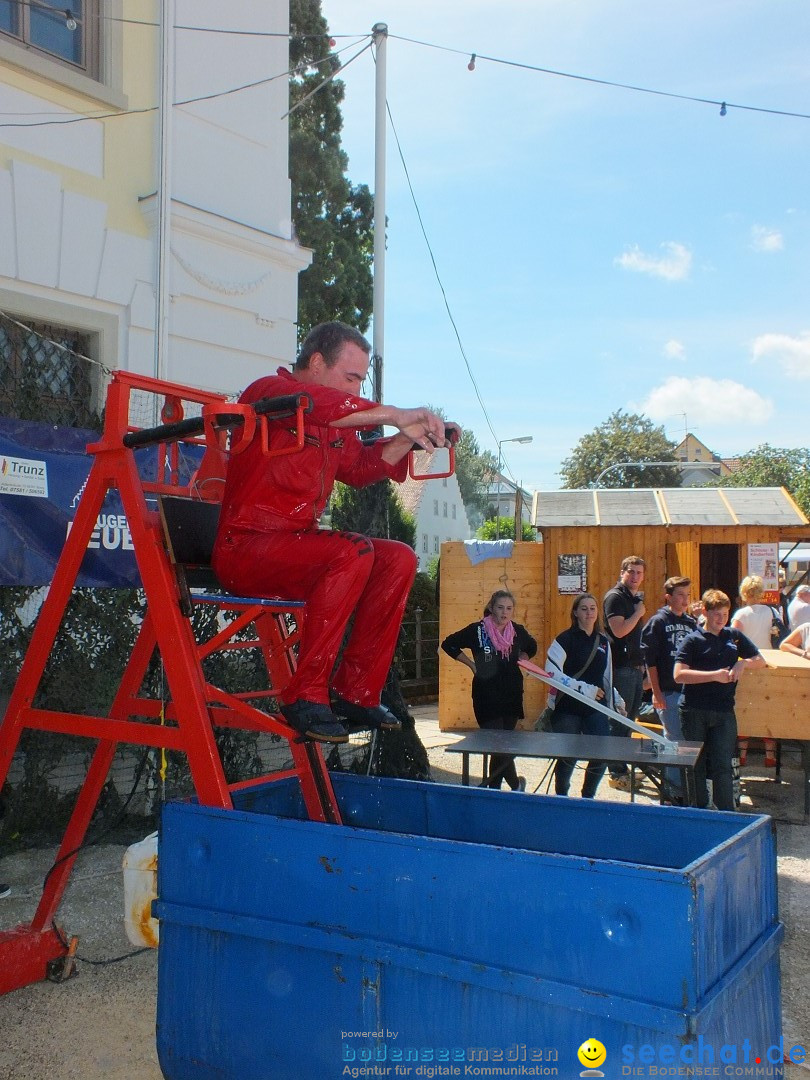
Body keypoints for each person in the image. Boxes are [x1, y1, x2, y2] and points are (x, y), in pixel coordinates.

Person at [212, 321, 456, 744]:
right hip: (244, 549)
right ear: (317, 362)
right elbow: (317, 404)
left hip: (293, 548)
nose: (358, 392)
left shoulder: (328, 426)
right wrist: (396, 413)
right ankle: (304, 696)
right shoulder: (267, 392)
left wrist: (404, 437)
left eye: (361, 381)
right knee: (351, 551)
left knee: (398, 557)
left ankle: (355, 691)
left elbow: (361, 468)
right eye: (352, 378)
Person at [673, 589, 765, 811]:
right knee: (696, 764)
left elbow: (760, 659)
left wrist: (743, 663)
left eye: (725, 614)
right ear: (705, 612)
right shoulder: (692, 639)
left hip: (724, 711)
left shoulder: (733, 635)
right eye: (716, 614)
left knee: (723, 765)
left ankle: (725, 812)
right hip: (694, 710)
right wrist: (714, 675)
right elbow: (678, 675)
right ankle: (697, 809)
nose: (721, 619)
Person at [441, 589, 537, 791]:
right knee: (496, 742)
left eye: (509, 608)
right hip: (486, 694)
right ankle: (515, 784)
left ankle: (494, 788)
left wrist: (525, 658)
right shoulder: (478, 630)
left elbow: (532, 646)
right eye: (500, 607)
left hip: (511, 693)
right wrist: (471, 664)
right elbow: (449, 644)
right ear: (492, 608)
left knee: (502, 745)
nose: (504, 612)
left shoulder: (517, 631)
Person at [546, 593, 623, 799]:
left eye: (592, 608)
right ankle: (561, 794)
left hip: (595, 707)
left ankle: (587, 796)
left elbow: (606, 677)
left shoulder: (604, 642)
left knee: (602, 753)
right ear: (575, 613)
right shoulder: (564, 639)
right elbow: (551, 673)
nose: (589, 612)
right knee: (568, 755)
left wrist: (616, 700)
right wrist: (584, 689)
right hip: (568, 707)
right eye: (584, 608)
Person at [641, 576, 699, 802]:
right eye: (680, 595)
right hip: (668, 691)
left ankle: (688, 789)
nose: (685, 600)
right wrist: (656, 692)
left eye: (687, 595)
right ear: (669, 597)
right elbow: (651, 661)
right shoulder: (658, 622)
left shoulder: (691, 623)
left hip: (689, 693)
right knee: (673, 740)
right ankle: (673, 792)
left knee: (687, 741)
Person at [603, 555, 647, 791]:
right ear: (622, 572)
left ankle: (622, 769)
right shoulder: (615, 597)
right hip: (620, 668)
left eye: (639, 573)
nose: (635, 577)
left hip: (634, 668)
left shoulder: (633, 599)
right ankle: (616, 773)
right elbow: (619, 631)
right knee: (618, 722)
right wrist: (638, 613)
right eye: (631, 572)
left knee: (628, 722)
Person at [730, 575, 778, 767]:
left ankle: (742, 755)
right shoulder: (772, 611)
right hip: (767, 663)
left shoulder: (741, 615)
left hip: (747, 663)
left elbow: (732, 640)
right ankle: (770, 756)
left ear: (744, 592)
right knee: (767, 710)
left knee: (744, 709)